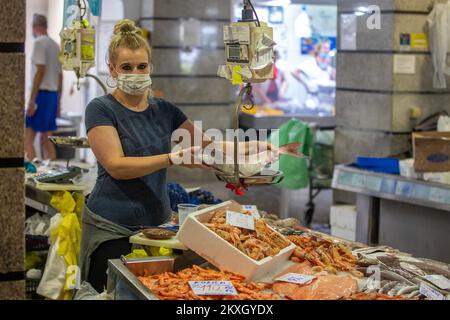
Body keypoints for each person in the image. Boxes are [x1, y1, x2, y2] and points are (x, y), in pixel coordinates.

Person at [80, 19, 276, 293]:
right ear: (112, 69)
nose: (135, 73)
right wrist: (171, 158)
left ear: (151, 68)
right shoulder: (101, 109)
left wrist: (257, 147)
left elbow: (209, 145)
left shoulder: (164, 110)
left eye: (141, 66)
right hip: (112, 226)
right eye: (127, 67)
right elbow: (116, 166)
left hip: (157, 227)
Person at [25, 14, 63, 161]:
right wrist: (58, 103)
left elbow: (40, 71)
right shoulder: (55, 45)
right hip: (52, 96)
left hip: (41, 95)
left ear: (34, 27)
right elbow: (60, 77)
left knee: (27, 138)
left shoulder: (39, 43)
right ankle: (52, 174)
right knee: (47, 139)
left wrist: (31, 101)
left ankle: (35, 174)